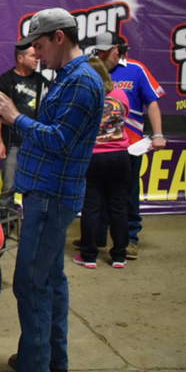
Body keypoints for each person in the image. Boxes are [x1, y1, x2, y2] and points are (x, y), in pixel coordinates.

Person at [0, 8, 104, 372]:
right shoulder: (67, 77)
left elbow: (61, 141)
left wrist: (15, 117)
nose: (35, 54)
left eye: (39, 45)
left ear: (59, 37)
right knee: (50, 279)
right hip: (46, 193)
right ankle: (51, 362)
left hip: (52, 196)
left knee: (31, 285)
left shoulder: (81, 81)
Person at [93, 31, 166, 260]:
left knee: (129, 193)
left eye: (107, 51)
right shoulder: (93, 70)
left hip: (131, 145)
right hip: (100, 145)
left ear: (119, 50)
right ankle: (96, 237)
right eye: (99, 51)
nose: (103, 55)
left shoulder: (136, 69)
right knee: (96, 193)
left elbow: (152, 103)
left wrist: (158, 134)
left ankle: (130, 239)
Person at [74, 57, 131, 270]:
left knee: (90, 207)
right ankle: (119, 256)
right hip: (119, 155)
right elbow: (125, 116)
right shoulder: (120, 94)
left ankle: (88, 256)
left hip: (93, 156)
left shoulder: (84, 97)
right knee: (118, 207)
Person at [0, 46, 49, 216]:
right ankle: (6, 223)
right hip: (13, 144)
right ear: (20, 59)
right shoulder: (4, 81)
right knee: (8, 186)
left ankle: (31, 221)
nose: (37, 59)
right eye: (32, 56)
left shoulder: (43, 82)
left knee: (34, 188)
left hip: (36, 145)